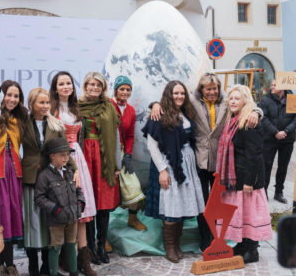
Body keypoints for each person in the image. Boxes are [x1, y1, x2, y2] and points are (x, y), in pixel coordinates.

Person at [150, 73, 262, 251]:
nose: (212, 92)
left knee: (220, 202)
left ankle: (220, 236)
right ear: (201, 89)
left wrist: (257, 111)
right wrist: (155, 104)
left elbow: (246, 102)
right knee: (203, 202)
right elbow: (173, 99)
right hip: (199, 159)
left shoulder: (226, 100)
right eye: (208, 89)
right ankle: (205, 238)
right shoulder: (192, 102)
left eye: (215, 88)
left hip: (222, 160)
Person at [142, 80, 205, 263]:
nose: (179, 96)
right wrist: (162, 170)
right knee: (171, 205)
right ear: (168, 95)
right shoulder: (159, 114)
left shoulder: (186, 113)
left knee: (182, 203)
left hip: (186, 162)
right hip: (168, 164)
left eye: (182, 93)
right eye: (175, 93)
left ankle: (177, 244)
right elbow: (152, 146)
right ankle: (169, 246)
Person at [22, 87, 78, 276]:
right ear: (32, 104)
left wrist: (74, 169)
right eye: (41, 102)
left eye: (47, 102)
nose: (45, 106)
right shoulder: (23, 123)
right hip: (30, 177)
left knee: (49, 224)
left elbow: (65, 149)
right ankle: (32, 266)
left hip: (51, 179)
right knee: (31, 224)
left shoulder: (56, 125)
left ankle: (47, 266)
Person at [215, 84, 272, 264]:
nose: (233, 101)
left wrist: (249, 181)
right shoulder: (232, 120)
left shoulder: (249, 122)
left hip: (248, 178)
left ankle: (252, 250)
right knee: (241, 213)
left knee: (249, 214)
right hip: (237, 176)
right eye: (231, 98)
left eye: (237, 98)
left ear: (245, 101)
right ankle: (241, 246)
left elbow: (254, 154)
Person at [49, 71, 97, 276]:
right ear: (55, 87)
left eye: (68, 83)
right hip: (63, 160)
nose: (66, 86)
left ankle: (83, 260)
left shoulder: (76, 107)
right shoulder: (52, 109)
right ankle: (65, 259)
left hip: (78, 157)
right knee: (66, 209)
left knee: (82, 212)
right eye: (61, 84)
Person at [0, 80, 28, 276]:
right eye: (9, 95)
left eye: (16, 96)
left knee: (12, 215)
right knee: (0, 216)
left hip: (15, 173)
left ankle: (10, 263)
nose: (12, 99)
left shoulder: (19, 119)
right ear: (1, 96)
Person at [78, 72, 120, 265]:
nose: (94, 88)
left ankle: (102, 245)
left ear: (103, 88)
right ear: (86, 86)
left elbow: (116, 137)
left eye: (98, 85)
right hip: (85, 158)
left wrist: (117, 165)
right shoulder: (77, 107)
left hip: (105, 160)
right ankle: (91, 249)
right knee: (88, 204)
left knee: (104, 205)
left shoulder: (109, 107)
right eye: (91, 84)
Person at [34, 138, 85, 276]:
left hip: (73, 216)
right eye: (62, 155)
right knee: (55, 247)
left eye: (68, 155)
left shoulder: (69, 172)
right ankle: (53, 273)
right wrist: (56, 210)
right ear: (52, 156)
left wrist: (80, 204)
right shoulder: (44, 175)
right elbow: (39, 198)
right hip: (56, 220)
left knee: (71, 245)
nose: (66, 158)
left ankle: (74, 273)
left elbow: (78, 190)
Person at [111, 76, 146, 231]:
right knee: (109, 193)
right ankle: (103, 233)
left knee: (134, 187)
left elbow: (131, 135)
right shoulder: (108, 106)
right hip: (108, 153)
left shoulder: (131, 110)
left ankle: (132, 218)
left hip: (123, 152)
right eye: (122, 89)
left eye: (128, 89)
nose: (125, 92)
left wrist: (128, 154)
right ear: (116, 90)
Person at [259, 79, 296, 204]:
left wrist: (285, 131)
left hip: (287, 139)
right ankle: (263, 192)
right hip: (270, 139)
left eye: (275, 85)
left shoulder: (293, 99)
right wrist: (275, 132)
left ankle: (278, 192)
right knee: (266, 165)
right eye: (272, 84)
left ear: (283, 87)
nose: (272, 87)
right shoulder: (265, 100)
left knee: (283, 167)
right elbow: (263, 118)